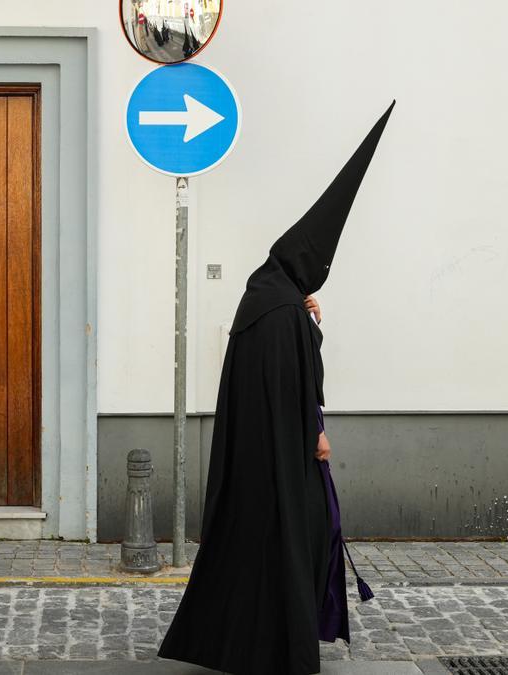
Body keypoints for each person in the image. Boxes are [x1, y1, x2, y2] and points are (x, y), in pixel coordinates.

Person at [158, 102, 394, 675]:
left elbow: (284, 371)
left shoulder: (263, 299)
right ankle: (286, 643)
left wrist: (310, 324)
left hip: (252, 461)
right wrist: (317, 436)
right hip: (287, 460)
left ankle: (249, 641)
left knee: (256, 544)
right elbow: (296, 387)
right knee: (307, 534)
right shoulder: (286, 313)